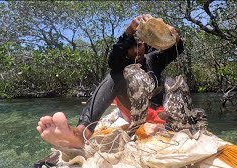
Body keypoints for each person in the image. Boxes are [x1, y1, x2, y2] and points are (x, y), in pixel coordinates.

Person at [36, 14, 184, 149]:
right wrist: (129, 31)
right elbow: (114, 59)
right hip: (133, 111)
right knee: (116, 76)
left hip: (157, 113)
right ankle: (82, 132)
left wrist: (173, 35)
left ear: (145, 45)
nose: (136, 51)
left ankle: (149, 125)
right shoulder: (121, 64)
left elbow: (177, 48)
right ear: (126, 50)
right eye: (131, 48)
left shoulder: (153, 59)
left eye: (139, 45)